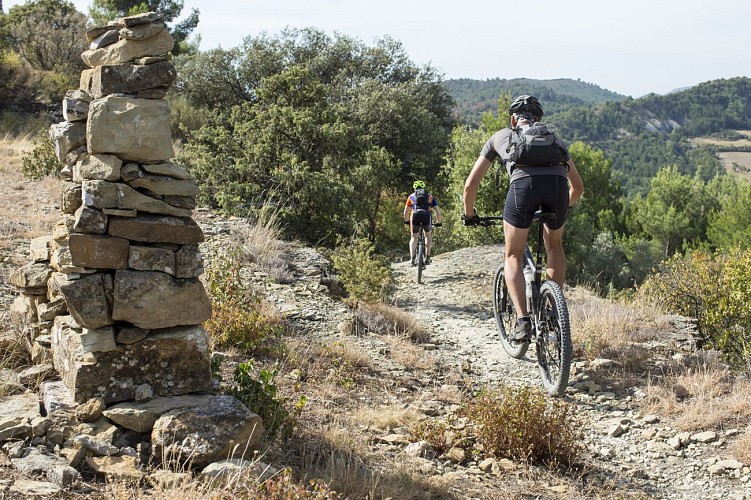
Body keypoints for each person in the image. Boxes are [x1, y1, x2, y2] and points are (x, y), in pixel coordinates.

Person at [462, 95, 584, 340]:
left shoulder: (499, 136)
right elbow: (578, 188)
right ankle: (552, 312)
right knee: (555, 247)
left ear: (512, 119)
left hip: (523, 189)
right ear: (538, 120)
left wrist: (469, 214)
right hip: (559, 188)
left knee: (514, 254)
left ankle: (523, 321)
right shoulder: (554, 138)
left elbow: (470, 186)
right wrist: (562, 208)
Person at [404, 180, 442, 266]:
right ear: (423, 188)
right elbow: (437, 211)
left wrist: (406, 220)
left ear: (414, 188)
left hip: (415, 216)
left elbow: (406, 212)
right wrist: (438, 222)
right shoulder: (429, 196)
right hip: (426, 216)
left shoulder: (411, 196)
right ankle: (428, 257)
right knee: (428, 235)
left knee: (414, 238)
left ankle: (412, 259)